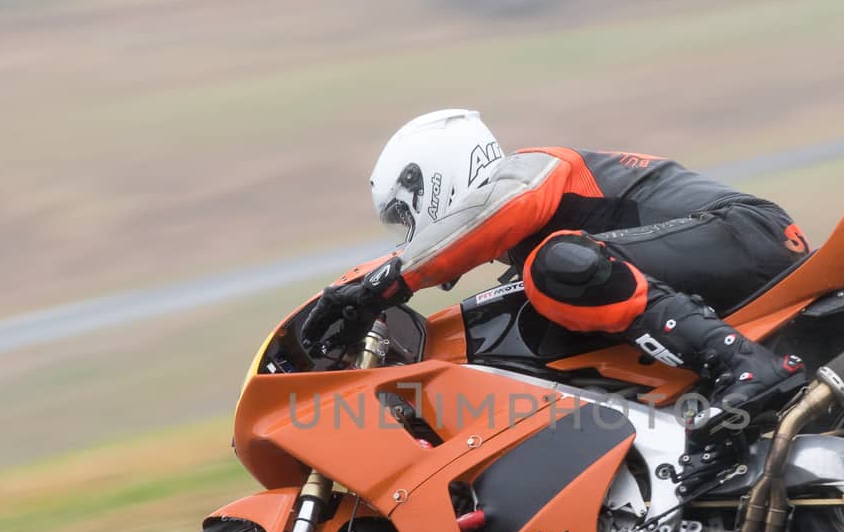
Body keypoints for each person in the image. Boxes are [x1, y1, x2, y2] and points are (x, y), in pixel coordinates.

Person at [302, 108, 812, 428]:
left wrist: (384, 280)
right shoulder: (526, 250)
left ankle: (744, 364)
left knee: (557, 266)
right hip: (721, 256)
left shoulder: (531, 168)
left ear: (429, 181)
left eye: (403, 217)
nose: (407, 233)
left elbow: (502, 210)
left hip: (748, 233)